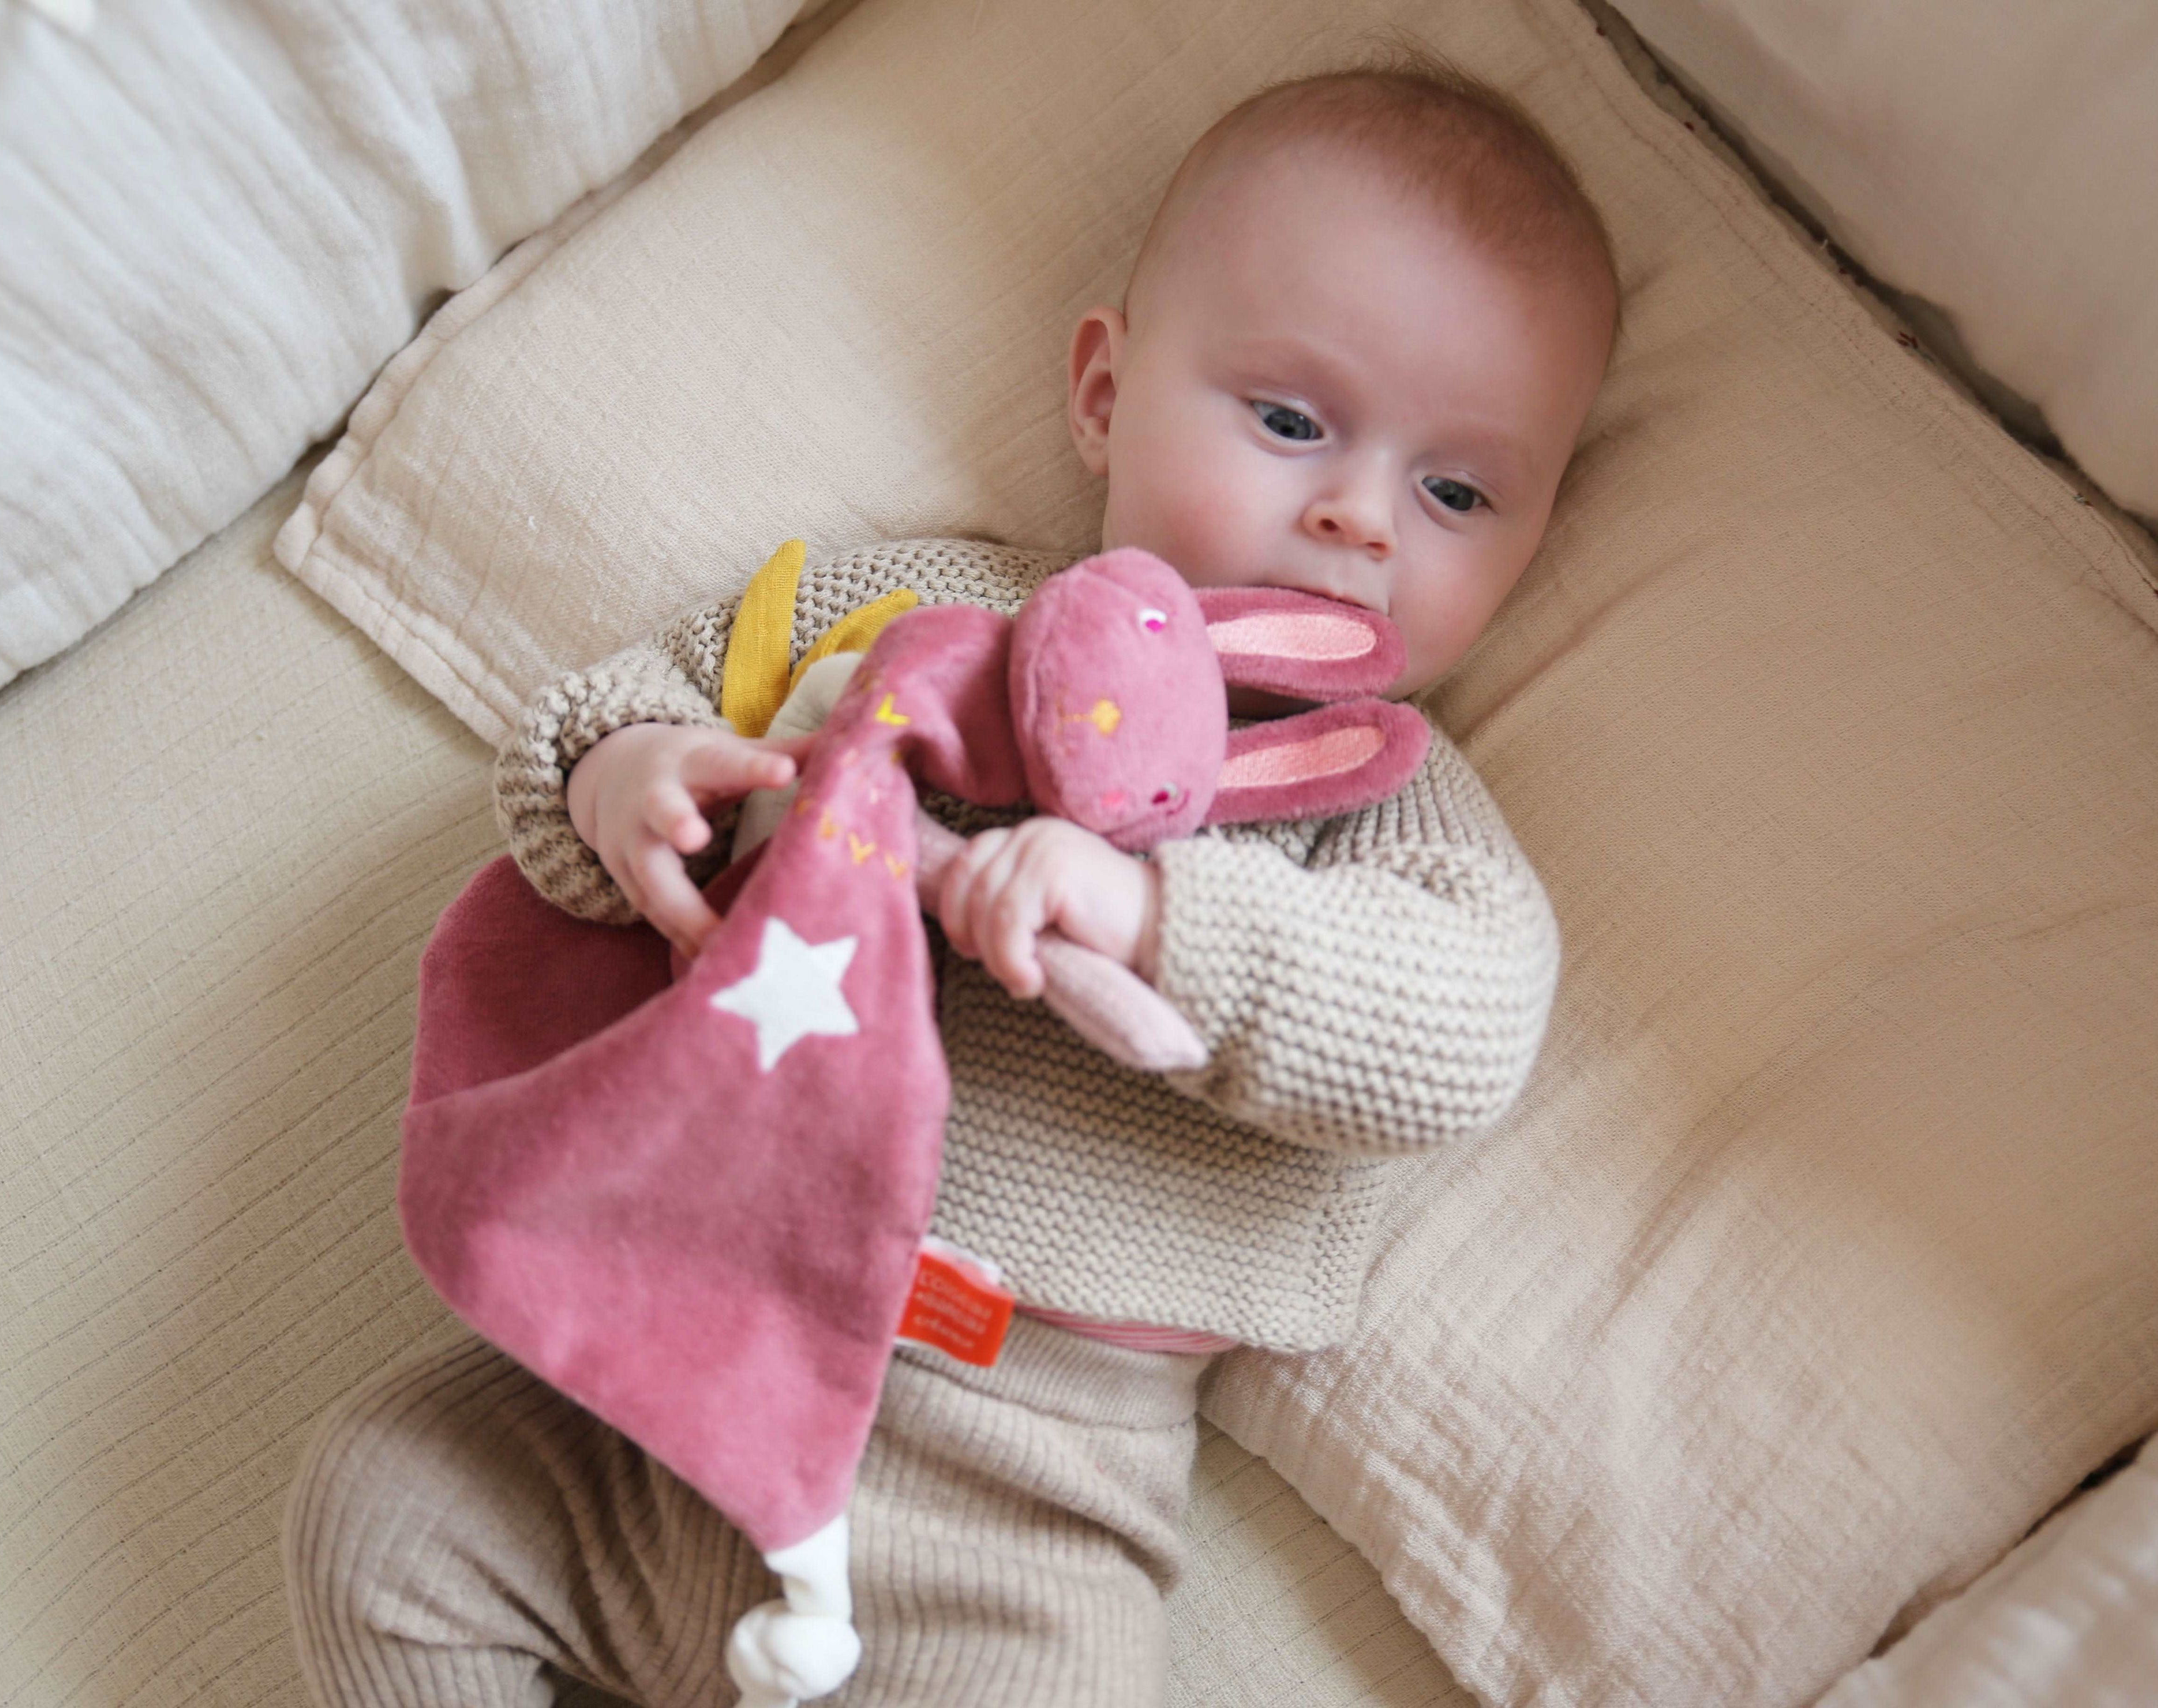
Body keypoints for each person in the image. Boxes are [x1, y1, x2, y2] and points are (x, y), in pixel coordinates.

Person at [286, 54, 1616, 1708]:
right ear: (1104, 395)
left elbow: (1461, 1025)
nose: (1354, 517)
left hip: (1020, 1502)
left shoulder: (1381, 807)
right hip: (666, 1373)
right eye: (1288, 422)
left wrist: (1148, 912)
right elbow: (643, 698)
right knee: (388, 1512)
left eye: (1457, 491)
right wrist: (620, 783)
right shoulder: (920, 617)